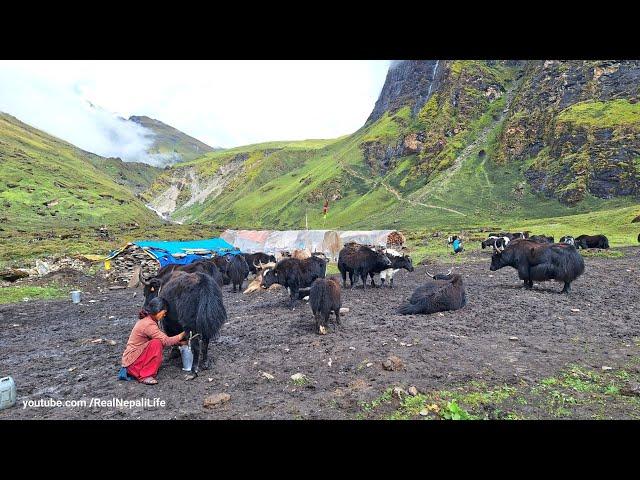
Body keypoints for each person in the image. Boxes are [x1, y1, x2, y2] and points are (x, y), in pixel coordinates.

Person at [120, 297, 187, 385]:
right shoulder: (148, 324)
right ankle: (145, 376)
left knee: (158, 341)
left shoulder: (148, 320)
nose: (164, 315)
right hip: (132, 363)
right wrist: (184, 333)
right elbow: (165, 341)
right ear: (158, 310)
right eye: (164, 312)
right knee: (157, 343)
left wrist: (179, 343)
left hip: (133, 359)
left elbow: (161, 337)